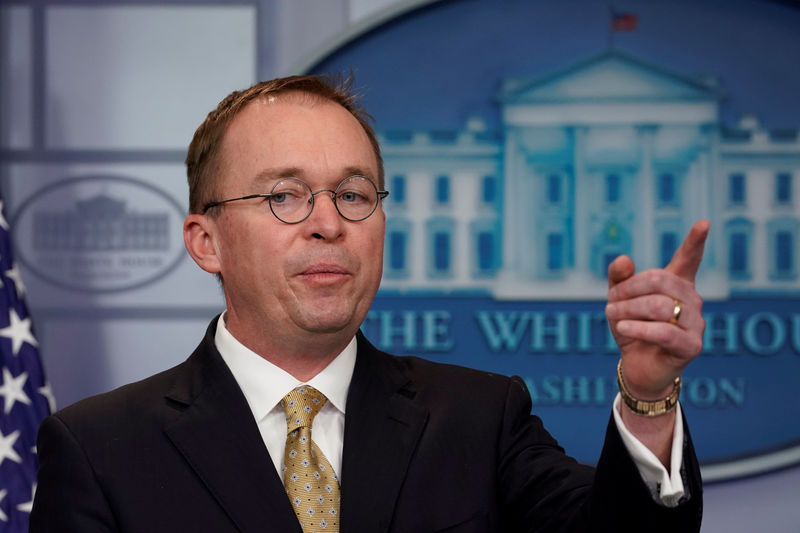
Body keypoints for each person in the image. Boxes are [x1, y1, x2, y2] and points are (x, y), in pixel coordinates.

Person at [31, 74, 706, 532]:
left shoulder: (480, 419)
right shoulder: (99, 450)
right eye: (284, 196)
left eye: (353, 194)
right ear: (207, 241)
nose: (328, 222)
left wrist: (650, 395)